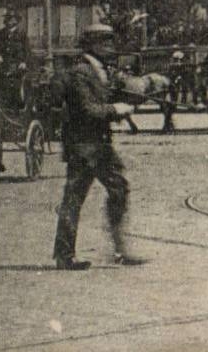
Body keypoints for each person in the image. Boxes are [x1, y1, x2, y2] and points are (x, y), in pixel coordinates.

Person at [53, 23, 142, 270]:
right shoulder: (80, 72)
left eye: (111, 42)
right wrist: (116, 110)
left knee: (119, 189)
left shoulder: (99, 70)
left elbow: (105, 98)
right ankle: (64, 256)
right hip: (83, 147)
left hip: (99, 146)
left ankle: (120, 249)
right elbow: (87, 110)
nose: (111, 47)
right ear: (92, 44)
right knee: (74, 199)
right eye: (106, 42)